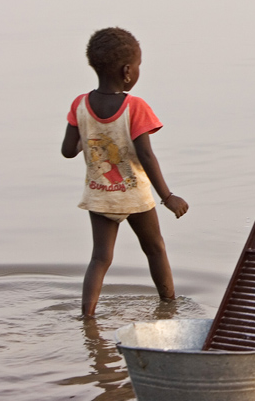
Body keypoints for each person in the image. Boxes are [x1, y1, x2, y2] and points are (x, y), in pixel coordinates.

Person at [61, 27, 188, 317]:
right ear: (128, 71)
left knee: (100, 258)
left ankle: (87, 316)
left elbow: (68, 150)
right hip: (134, 196)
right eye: (139, 66)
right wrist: (167, 197)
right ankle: (169, 306)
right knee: (155, 248)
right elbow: (145, 154)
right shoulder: (135, 107)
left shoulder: (80, 105)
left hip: (100, 196)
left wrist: (92, 135)